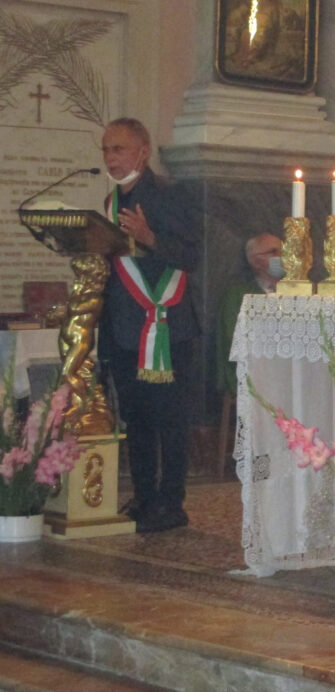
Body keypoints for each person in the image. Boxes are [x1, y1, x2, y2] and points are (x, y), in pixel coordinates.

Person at [98, 117, 200, 533]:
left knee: (168, 419)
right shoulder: (109, 202)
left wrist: (149, 236)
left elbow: (190, 254)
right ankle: (143, 496)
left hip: (166, 327)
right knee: (136, 418)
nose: (110, 157)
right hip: (124, 327)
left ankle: (171, 503)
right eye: (105, 150)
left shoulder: (168, 196)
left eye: (118, 149)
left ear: (143, 151)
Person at [216, 233, 283, 395]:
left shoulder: (298, 294)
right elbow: (231, 336)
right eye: (274, 252)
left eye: (284, 251)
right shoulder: (238, 294)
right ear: (255, 261)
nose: (282, 257)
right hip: (253, 367)